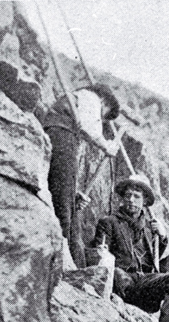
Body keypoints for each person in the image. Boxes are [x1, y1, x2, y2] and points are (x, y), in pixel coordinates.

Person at [93, 174, 169, 322]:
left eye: (136, 196)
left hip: (144, 285)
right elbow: (100, 254)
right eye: (127, 195)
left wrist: (163, 237)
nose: (131, 200)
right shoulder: (109, 222)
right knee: (116, 273)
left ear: (144, 201)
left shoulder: (150, 230)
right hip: (121, 281)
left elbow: (165, 269)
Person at [44, 84, 120, 268]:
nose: (100, 120)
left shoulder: (76, 98)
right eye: (103, 115)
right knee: (64, 207)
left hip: (58, 136)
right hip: (62, 137)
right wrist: (107, 146)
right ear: (104, 101)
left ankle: (69, 262)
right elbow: (89, 126)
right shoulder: (90, 97)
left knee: (68, 204)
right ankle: (59, 264)